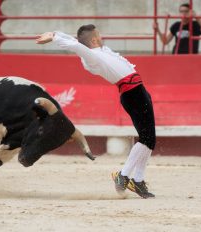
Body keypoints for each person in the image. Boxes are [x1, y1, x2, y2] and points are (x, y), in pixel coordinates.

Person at [36, 24, 156, 199]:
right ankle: (124, 175)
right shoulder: (93, 56)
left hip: (138, 91)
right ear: (93, 39)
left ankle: (137, 180)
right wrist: (55, 38)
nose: (101, 37)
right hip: (133, 93)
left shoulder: (101, 51)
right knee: (147, 139)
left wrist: (55, 33)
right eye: (99, 35)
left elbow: (75, 42)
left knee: (149, 140)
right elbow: (76, 46)